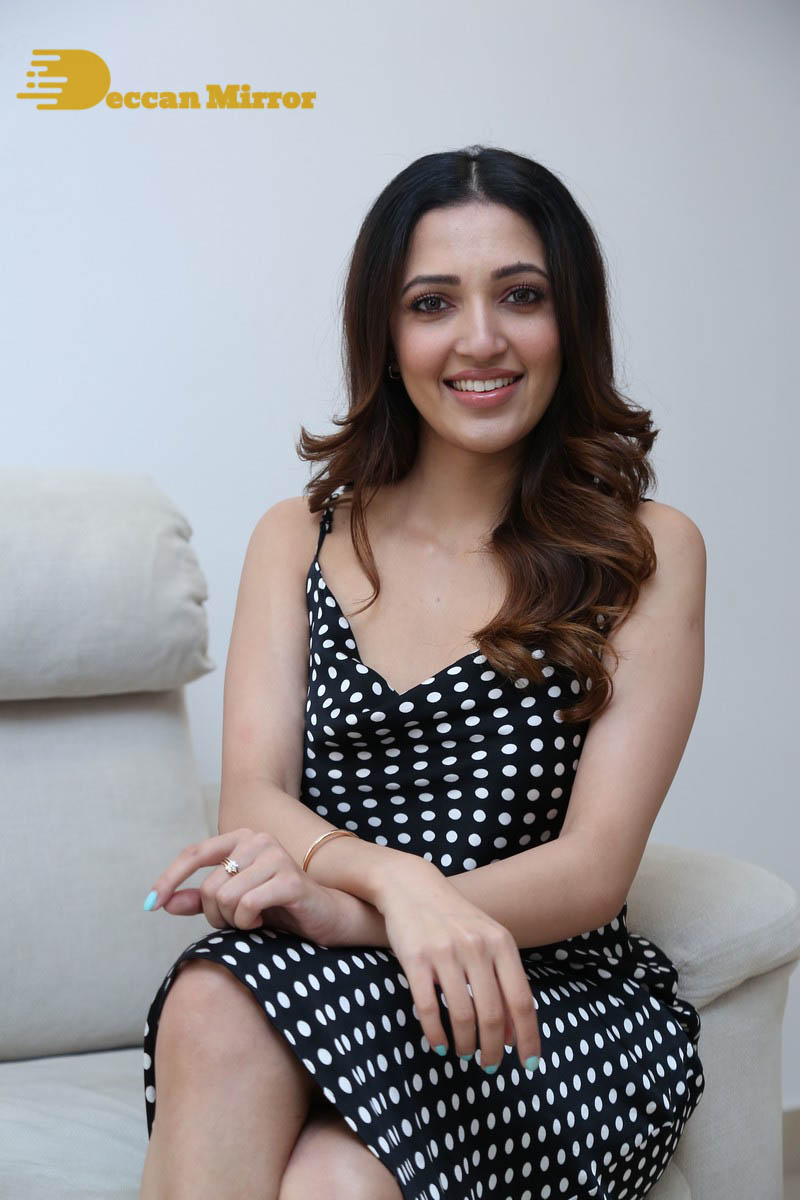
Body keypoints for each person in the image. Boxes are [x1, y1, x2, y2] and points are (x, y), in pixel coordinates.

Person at [139, 144, 706, 1200]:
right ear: (385, 332)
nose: (479, 339)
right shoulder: (299, 538)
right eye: (432, 303)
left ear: (570, 319)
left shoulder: (646, 550)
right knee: (215, 1004)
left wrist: (361, 911)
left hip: (538, 991)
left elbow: (593, 869)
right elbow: (253, 799)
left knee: (333, 1184)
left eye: (521, 295)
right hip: (334, 970)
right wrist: (395, 885)